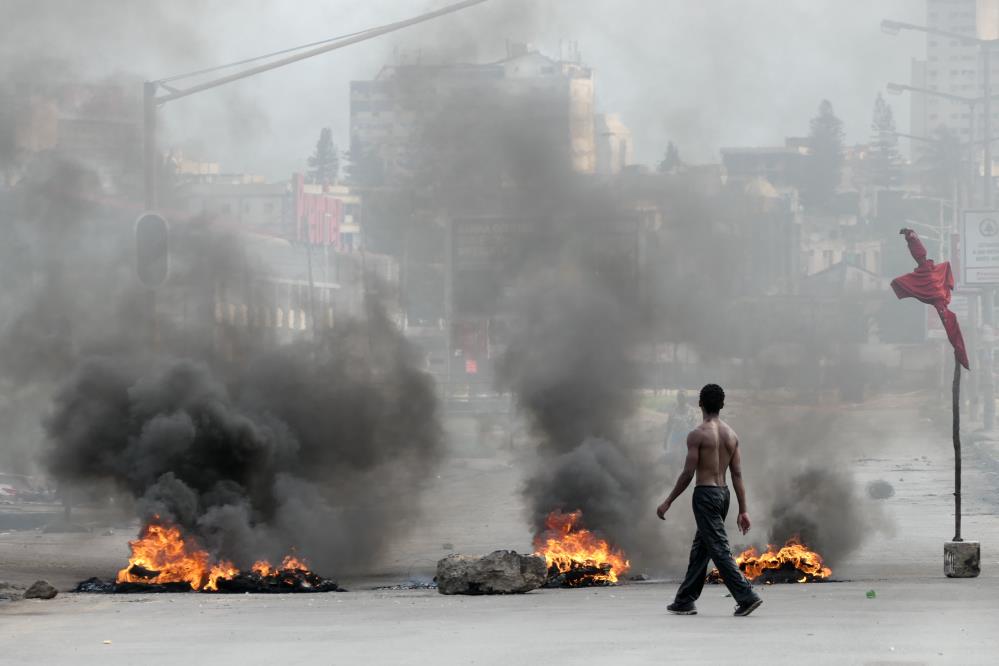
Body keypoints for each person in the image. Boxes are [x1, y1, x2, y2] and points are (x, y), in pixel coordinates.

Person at [656, 383, 762, 617]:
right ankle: (684, 600)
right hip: (723, 495)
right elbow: (737, 474)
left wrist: (668, 501)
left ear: (700, 404)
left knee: (718, 548)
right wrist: (743, 509)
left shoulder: (697, 434)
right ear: (722, 405)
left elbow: (687, 473)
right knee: (702, 547)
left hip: (705, 495)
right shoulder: (731, 435)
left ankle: (746, 596)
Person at [663, 390, 698, 461]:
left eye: (683, 397)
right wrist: (666, 439)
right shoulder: (673, 410)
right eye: (679, 397)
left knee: (686, 455)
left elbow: (694, 425)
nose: (681, 399)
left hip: (687, 434)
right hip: (676, 434)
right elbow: (669, 425)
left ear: (686, 398)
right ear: (677, 398)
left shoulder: (691, 410)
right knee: (672, 455)